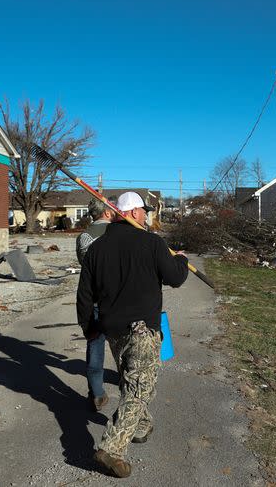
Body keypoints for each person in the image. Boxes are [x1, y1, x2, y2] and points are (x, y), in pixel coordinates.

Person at [77, 191, 189, 478]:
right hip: (143, 330)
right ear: (135, 213)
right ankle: (112, 448)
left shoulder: (97, 249)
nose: (147, 216)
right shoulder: (152, 243)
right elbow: (175, 278)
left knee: (136, 384)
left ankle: (140, 426)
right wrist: (181, 260)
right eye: (145, 211)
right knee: (138, 389)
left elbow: (85, 295)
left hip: (113, 331)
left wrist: (90, 327)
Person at [75, 197, 117, 411]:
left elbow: (85, 265)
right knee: (124, 344)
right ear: (108, 213)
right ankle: (131, 386)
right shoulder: (118, 234)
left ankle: (96, 393)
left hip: (93, 298)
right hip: (118, 300)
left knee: (95, 344)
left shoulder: (84, 237)